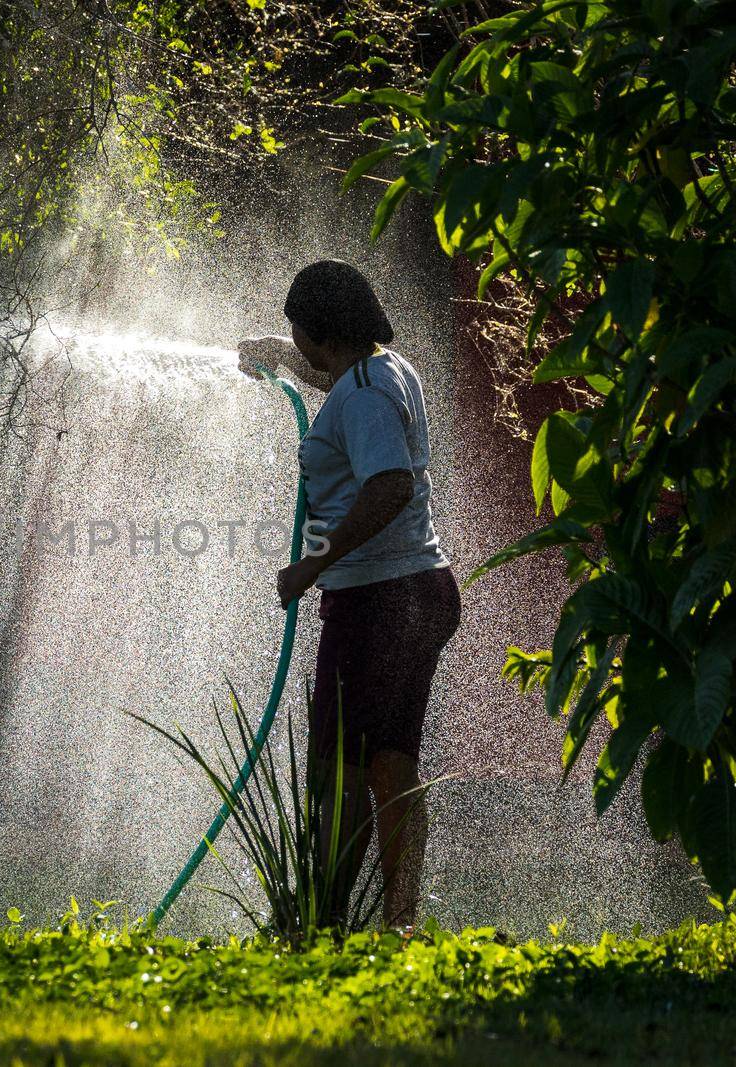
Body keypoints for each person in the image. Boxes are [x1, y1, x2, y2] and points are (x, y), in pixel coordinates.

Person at [238, 259, 460, 930]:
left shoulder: (361, 395)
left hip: (377, 601)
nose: (294, 339)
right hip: (421, 593)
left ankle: (321, 918)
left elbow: (388, 483)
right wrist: (276, 356)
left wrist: (313, 564)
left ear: (320, 331)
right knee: (391, 766)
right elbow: (335, 376)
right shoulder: (383, 368)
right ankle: (398, 922)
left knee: (337, 769)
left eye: (294, 330)